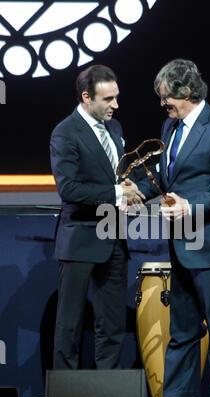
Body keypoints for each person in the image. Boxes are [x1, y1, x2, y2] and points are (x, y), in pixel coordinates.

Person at [137, 58, 210, 397]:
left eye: (165, 96)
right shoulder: (171, 128)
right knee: (183, 327)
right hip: (182, 242)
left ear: (186, 91)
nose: (162, 103)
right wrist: (137, 190)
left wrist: (192, 206)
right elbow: (164, 173)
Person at [50, 64, 144, 370]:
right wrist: (117, 194)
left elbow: (115, 176)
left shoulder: (115, 129)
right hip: (80, 238)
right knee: (70, 324)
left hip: (114, 237)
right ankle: (65, 395)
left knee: (113, 323)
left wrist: (127, 188)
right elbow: (70, 189)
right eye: (108, 99)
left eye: (116, 97)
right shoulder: (65, 133)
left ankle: (107, 392)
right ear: (86, 97)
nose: (115, 105)